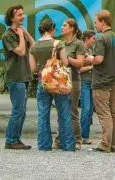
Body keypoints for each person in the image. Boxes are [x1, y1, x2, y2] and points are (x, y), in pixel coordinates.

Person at [28, 19, 75, 151]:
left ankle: (44, 144)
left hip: (43, 81)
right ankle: (67, 144)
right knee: (64, 112)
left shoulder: (34, 46)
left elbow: (32, 68)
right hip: (58, 82)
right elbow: (65, 62)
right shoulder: (58, 43)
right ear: (52, 29)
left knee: (43, 113)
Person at [2, 4, 35, 150]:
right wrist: (21, 36)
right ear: (11, 18)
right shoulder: (8, 35)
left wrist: (26, 34)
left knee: (22, 110)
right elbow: (21, 51)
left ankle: (16, 138)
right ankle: (10, 140)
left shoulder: (21, 33)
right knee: (17, 110)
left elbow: (33, 47)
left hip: (24, 76)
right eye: (19, 15)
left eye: (23, 14)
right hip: (15, 77)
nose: (23, 17)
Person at [89, 10, 115, 153]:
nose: (95, 25)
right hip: (113, 80)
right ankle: (114, 145)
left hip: (101, 81)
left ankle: (105, 144)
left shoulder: (101, 38)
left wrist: (90, 58)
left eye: (96, 22)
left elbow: (99, 59)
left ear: (103, 22)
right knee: (113, 112)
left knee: (104, 113)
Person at [54, 18, 85, 150]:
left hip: (73, 80)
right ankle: (60, 139)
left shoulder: (78, 44)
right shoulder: (60, 43)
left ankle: (77, 139)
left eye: (64, 25)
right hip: (61, 81)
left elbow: (80, 63)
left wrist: (68, 59)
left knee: (72, 111)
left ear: (72, 28)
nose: (62, 27)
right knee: (61, 111)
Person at [79, 30, 96, 145]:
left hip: (92, 82)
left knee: (90, 110)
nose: (95, 40)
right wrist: (91, 67)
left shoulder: (91, 51)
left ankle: (86, 134)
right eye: (93, 38)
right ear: (86, 39)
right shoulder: (81, 50)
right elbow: (79, 69)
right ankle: (82, 136)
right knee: (85, 109)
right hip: (84, 81)